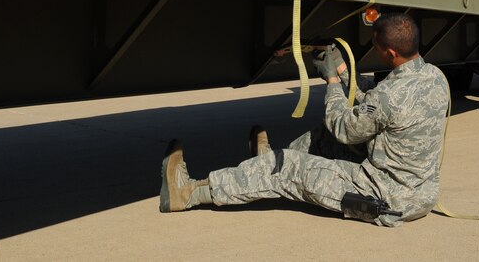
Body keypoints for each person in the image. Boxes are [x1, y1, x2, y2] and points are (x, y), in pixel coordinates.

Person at [159, 13, 449, 226]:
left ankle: (188, 194)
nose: (375, 50)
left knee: (286, 169)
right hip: (418, 192)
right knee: (322, 138)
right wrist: (345, 70)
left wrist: (332, 80)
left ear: (391, 52)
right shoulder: (435, 77)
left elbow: (345, 127)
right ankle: (262, 165)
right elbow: (380, 104)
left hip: (383, 196)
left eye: (376, 47)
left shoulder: (388, 97)